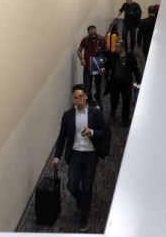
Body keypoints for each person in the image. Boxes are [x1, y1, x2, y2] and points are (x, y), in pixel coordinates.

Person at [51, 84, 107, 232]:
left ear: (86, 96)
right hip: (75, 154)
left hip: (90, 154)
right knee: (72, 186)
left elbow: (104, 132)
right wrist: (57, 156)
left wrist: (91, 132)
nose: (78, 100)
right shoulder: (67, 115)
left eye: (81, 96)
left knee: (87, 188)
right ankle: (82, 200)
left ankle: (84, 217)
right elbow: (62, 137)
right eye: (75, 97)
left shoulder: (95, 113)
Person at [106, 40, 142, 127]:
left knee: (126, 101)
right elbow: (107, 67)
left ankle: (125, 119)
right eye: (115, 47)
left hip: (126, 83)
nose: (115, 48)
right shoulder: (112, 56)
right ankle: (113, 111)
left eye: (117, 47)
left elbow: (135, 68)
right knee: (114, 99)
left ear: (122, 48)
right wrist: (105, 74)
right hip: (115, 82)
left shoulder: (130, 56)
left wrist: (138, 79)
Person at [76, 25, 107, 104]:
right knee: (87, 85)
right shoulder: (85, 40)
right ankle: (88, 100)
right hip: (88, 66)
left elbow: (107, 48)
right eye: (91, 34)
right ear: (88, 33)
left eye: (94, 34)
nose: (93, 36)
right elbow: (79, 50)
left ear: (96, 31)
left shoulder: (101, 38)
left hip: (98, 65)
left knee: (99, 84)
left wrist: (101, 49)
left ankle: (98, 98)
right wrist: (81, 59)